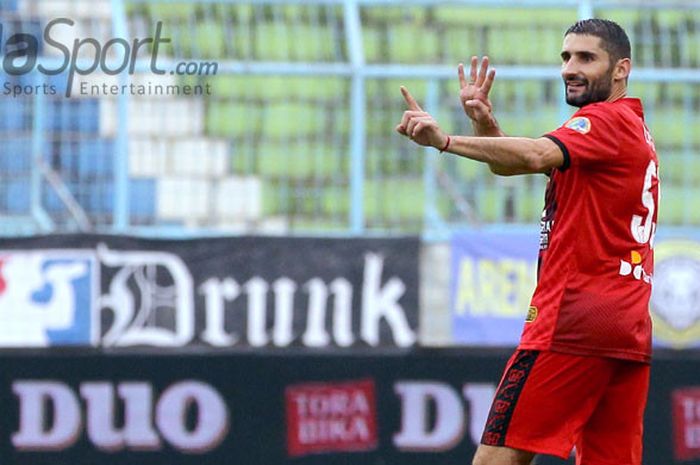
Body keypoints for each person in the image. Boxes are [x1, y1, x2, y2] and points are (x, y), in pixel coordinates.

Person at [396, 19, 659, 465]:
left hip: (573, 319)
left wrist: (444, 141)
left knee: (497, 460)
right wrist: (485, 122)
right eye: (565, 57)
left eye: (585, 58)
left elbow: (535, 153)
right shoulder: (629, 129)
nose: (569, 68)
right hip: (626, 326)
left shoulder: (604, 121)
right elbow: (515, 164)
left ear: (621, 69)